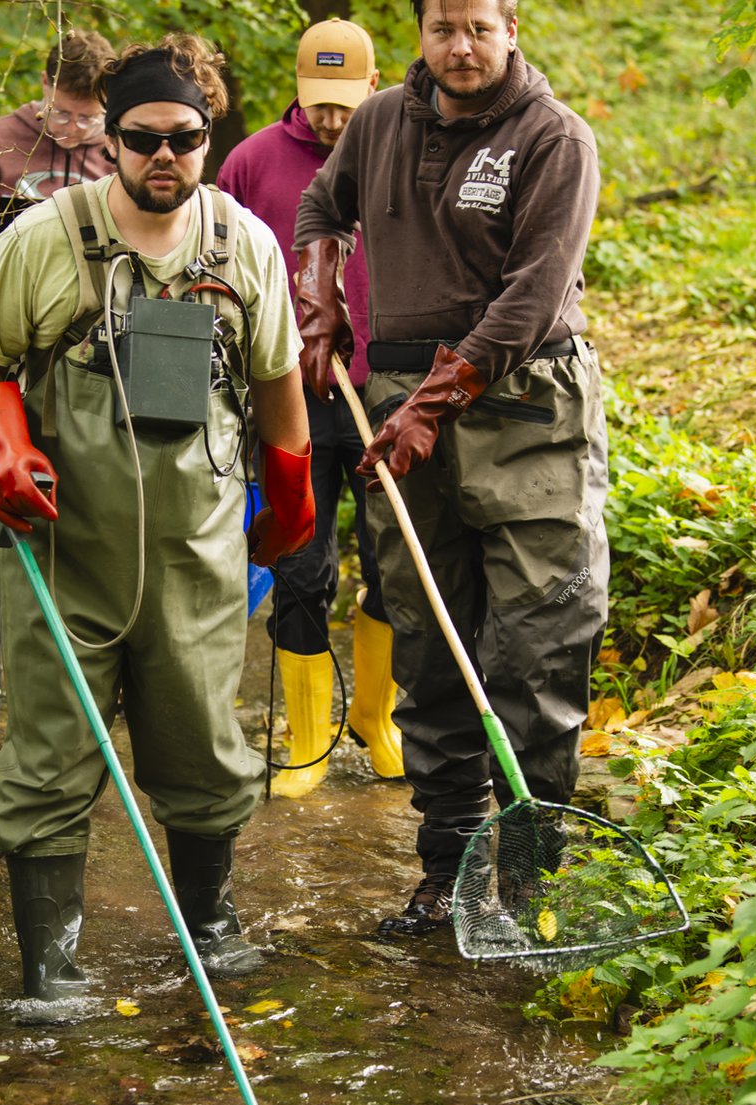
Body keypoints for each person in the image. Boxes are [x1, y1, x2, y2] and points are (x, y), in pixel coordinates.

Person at [0, 35, 316, 1001]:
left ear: (207, 137)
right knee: (51, 752)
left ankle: (211, 927)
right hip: (64, 549)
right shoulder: (43, 239)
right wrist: (3, 450)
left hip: (199, 555)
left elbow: (278, 383)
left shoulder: (245, 245)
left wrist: (292, 493)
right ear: (109, 139)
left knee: (205, 743)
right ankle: (51, 965)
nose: (164, 156)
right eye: (143, 138)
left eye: (184, 138)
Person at [294, 0, 608, 937]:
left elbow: (536, 291)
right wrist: (320, 300)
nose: (461, 47)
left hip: (526, 405)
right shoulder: (379, 121)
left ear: (511, 28)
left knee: (538, 647)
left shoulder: (555, 138)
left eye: (479, 27)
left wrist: (437, 400)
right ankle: (447, 871)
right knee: (430, 644)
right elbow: (321, 206)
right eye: (443, 29)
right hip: (398, 399)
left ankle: (528, 883)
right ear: (420, 35)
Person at [216, 18, 402, 800]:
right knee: (300, 563)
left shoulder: (403, 150)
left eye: (345, 103)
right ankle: (305, 740)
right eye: (318, 101)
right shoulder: (250, 162)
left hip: (390, 393)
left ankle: (374, 716)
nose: (330, 119)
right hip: (290, 394)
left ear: (373, 86)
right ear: (297, 87)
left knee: (396, 566)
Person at [0, 30, 117, 709]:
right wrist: (4, 228)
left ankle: (85, 670)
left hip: (91, 362)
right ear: (42, 90)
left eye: (87, 120)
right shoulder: (0, 140)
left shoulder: (121, 147)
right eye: (61, 114)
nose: (72, 130)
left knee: (91, 510)